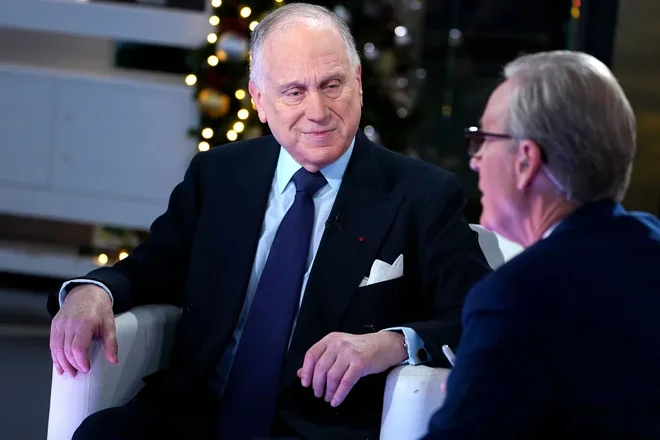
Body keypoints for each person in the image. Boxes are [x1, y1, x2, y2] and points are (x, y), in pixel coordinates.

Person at [48, 4, 491, 440]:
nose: (317, 111)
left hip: (321, 428)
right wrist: (92, 292)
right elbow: (151, 269)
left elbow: (480, 316)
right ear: (259, 100)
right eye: (294, 92)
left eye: (332, 85)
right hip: (195, 415)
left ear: (358, 83)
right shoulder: (219, 175)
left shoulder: (422, 195)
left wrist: (390, 344)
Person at [424, 50, 660, 439]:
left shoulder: (516, 297)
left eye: (483, 139)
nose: (475, 160)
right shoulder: (650, 244)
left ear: (526, 160)